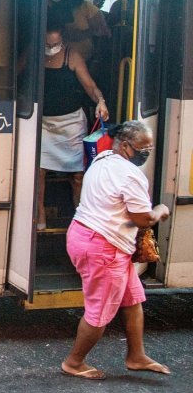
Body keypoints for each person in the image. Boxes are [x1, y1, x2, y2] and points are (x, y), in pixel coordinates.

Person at [61, 120, 171, 379]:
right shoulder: (130, 175)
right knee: (99, 312)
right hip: (103, 247)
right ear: (124, 146)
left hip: (86, 236)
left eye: (150, 148)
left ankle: (136, 356)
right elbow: (143, 219)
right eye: (142, 148)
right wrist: (160, 210)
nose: (146, 152)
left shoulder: (103, 158)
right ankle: (74, 362)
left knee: (133, 299)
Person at [38, 22, 109, 230]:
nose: (51, 47)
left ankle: (79, 218)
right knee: (38, 171)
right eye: (47, 43)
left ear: (63, 38)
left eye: (56, 43)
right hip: (42, 123)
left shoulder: (73, 56)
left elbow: (90, 86)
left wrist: (101, 101)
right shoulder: (33, 54)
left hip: (71, 123)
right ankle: (40, 213)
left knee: (77, 174)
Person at [46, 0, 110, 61]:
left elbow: (104, 32)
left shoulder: (81, 6)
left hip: (80, 58)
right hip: (47, 58)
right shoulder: (38, 2)